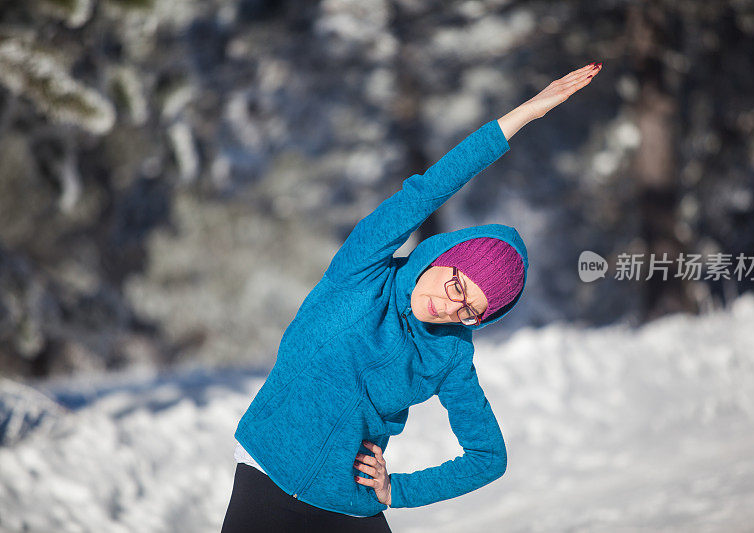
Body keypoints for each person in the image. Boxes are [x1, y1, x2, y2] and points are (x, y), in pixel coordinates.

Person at [221, 62, 603, 533]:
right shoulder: (363, 270)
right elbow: (429, 188)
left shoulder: (450, 353)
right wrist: (524, 115)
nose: (450, 307)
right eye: (458, 285)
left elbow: (488, 457)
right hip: (266, 475)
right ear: (444, 257)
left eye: (470, 311)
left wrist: (396, 490)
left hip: (349, 505)